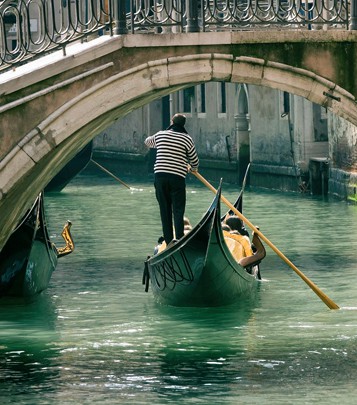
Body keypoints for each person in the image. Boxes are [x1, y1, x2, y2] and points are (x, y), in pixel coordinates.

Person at [144, 113, 199, 245]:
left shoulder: (161, 134)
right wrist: (193, 168)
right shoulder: (187, 139)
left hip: (160, 177)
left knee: (165, 209)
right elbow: (194, 160)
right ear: (183, 124)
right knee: (178, 209)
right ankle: (179, 238)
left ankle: (169, 241)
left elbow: (147, 142)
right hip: (177, 178)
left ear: (172, 122)